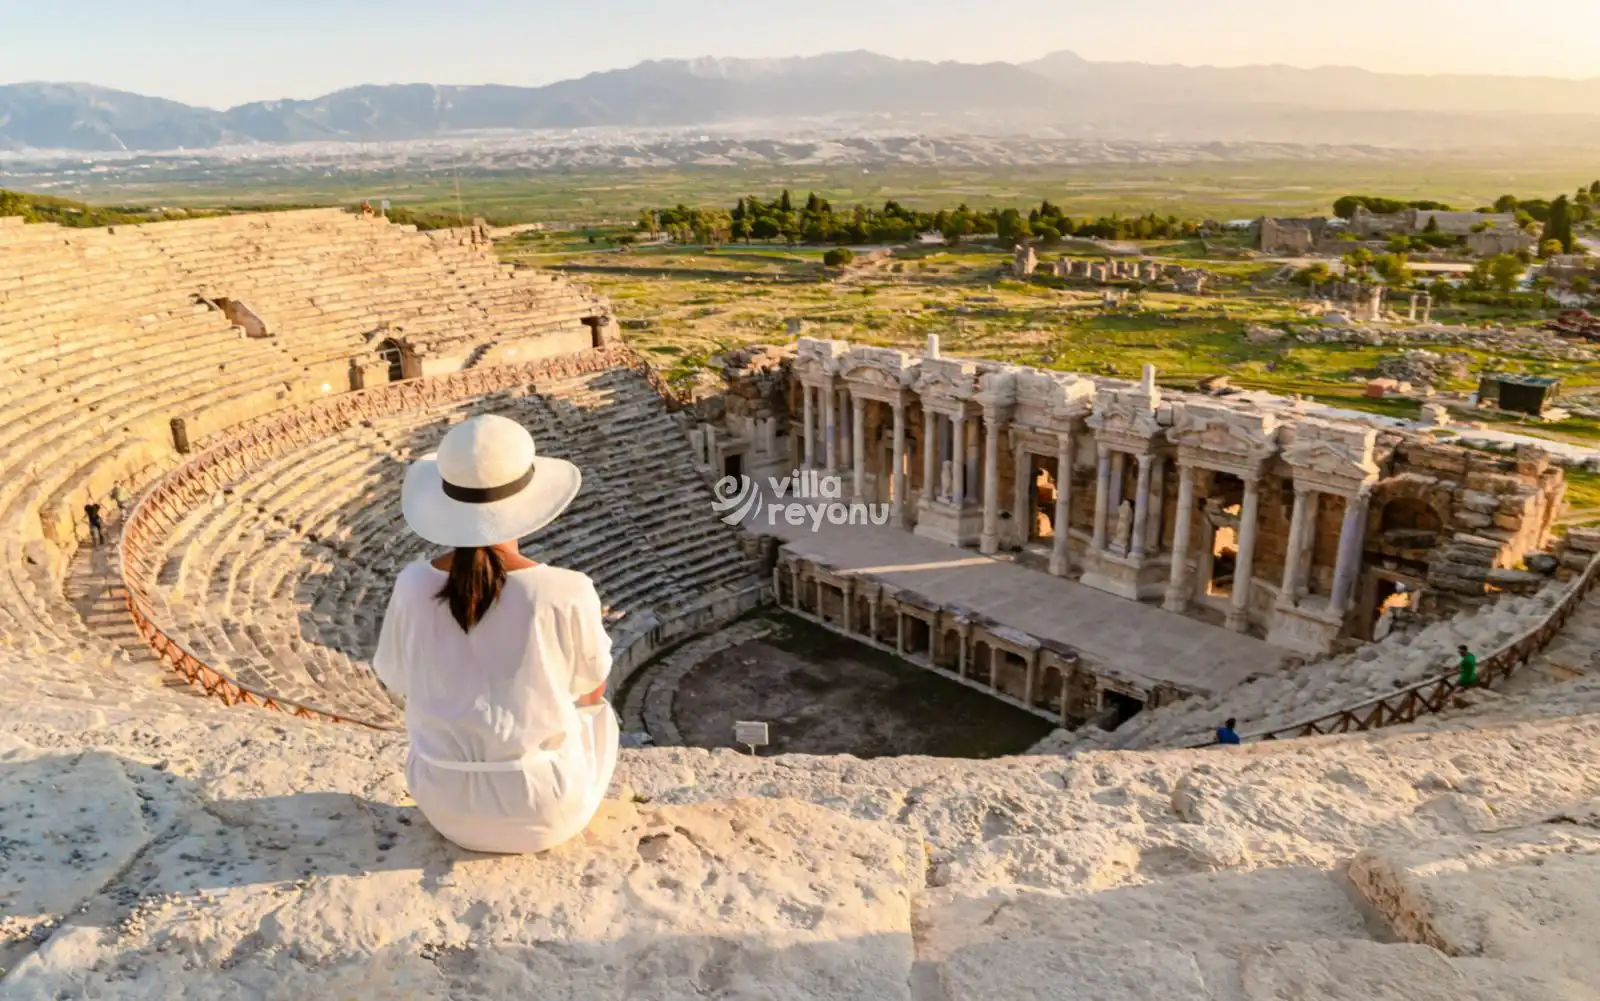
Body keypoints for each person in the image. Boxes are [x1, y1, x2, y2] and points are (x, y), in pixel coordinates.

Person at [374, 414, 617, 854]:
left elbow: (395, 681)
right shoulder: (566, 589)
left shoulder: (411, 584)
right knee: (599, 718)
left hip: (443, 800)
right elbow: (591, 690)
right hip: (545, 805)